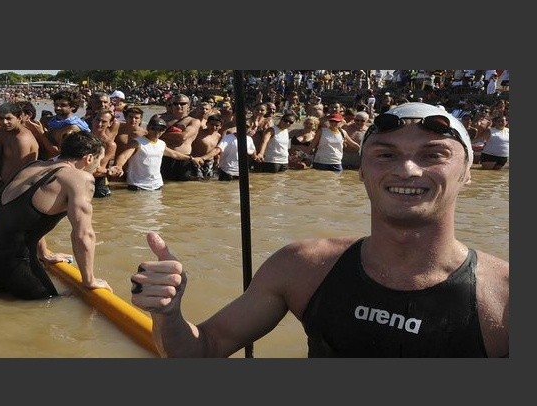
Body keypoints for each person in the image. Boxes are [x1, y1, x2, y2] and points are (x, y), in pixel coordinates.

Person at [129, 102, 509, 358]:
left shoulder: (506, 298)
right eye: (386, 154)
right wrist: (167, 315)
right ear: (362, 170)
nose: (406, 170)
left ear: (467, 173)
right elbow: (202, 350)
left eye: (433, 154)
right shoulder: (304, 266)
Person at [0, 131, 112, 300]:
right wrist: (89, 280)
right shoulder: (80, 178)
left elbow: (25, 216)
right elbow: (84, 234)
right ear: (89, 158)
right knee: (51, 308)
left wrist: (44, 253)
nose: (99, 167)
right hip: (13, 265)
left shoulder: (33, 166)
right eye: (99, 161)